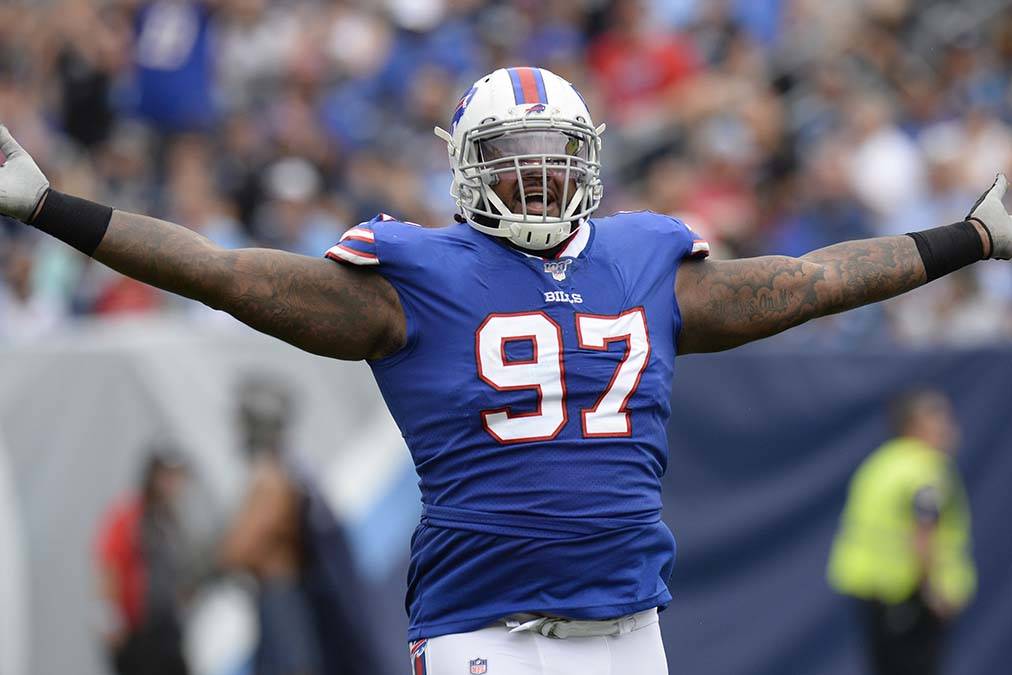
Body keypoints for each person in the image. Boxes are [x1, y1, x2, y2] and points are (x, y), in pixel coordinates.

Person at [3, 66, 1010, 674]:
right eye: (511, 154)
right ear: (464, 166)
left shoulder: (643, 260)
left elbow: (805, 280)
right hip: (490, 631)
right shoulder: (411, 277)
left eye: (552, 153)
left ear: (590, 158)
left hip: (627, 627)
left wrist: (968, 237)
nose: (536, 174)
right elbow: (221, 272)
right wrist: (54, 208)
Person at [827, 390, 976, 675]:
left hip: (870, 591)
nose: (950, 427)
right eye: (940, 419)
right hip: (910, 595)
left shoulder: (879, 463)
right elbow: (923, 533)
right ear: (917, 425)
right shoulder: (925, 468)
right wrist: (934, 591)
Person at [218, 375, 324, 675]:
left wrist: (224, 553)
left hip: (280, 590)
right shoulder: (276, 474)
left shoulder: (272, 478)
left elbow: (241, 548)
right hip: (271, 591)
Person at [95, 443, 192, 675]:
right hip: (137, 629)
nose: (172, 483)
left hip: (166, 627)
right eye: (166, 475)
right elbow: (109, 563)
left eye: (177, 476)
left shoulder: (170, 519)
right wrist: (110, 615)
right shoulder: (131, 515)